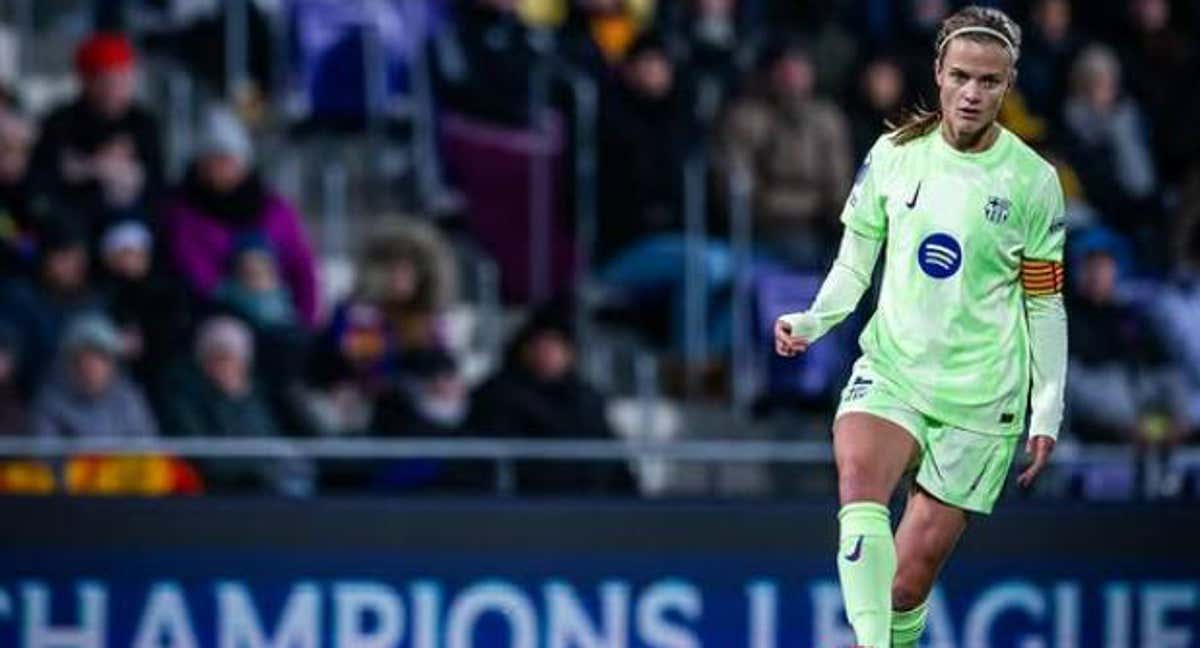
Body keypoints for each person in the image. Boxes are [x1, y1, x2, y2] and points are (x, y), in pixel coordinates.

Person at [773, 7, 1066, 647]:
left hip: (981, 395)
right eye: (960, 75)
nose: (971, 92)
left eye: (989, 82)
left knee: (907, 584)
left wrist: (1047, 407)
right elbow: (854, 263)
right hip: (893, 368)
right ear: (937, 73)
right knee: (858, 481)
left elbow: (1044, 303)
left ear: (1008, 84)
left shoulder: (1034, 184)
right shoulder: (894, 155)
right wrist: (814, 320)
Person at [163, 105, 319, 327]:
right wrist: (236, 300)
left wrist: (305, 321)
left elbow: (301, 266)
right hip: (217, 321)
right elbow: (194, 272)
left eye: (226, 159)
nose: (219, 169)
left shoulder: (275, 209)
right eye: (213, 160)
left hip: (278, 317)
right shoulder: (185, 213)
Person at [27, 32, 163, 236]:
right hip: (73, 228)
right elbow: (46, 181)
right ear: (86, 81)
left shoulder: (143, 124)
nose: (115, 89)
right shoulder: (61, 122)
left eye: (122, 79)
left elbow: (156, 185)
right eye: (106, 80)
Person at [29, 314, 158, 438]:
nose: (91, 367)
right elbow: (47, 455)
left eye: (100, 357)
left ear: (112, 363)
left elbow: (146, 448)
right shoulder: (50, 402)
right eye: (81, 358)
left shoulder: (128, 398)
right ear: (67, 363)